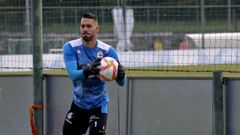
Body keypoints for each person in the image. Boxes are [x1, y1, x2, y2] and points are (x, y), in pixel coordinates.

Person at [62, 12, 126, 135]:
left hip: (98, 105)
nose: (85, 29)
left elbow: (121, 82)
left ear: (97, 29)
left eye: (89, 26)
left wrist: (121, 75)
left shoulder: (108, 51)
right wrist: (87, 70)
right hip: (78, 104)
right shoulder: (70, 47)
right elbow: (73, 75)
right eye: (82, 26)